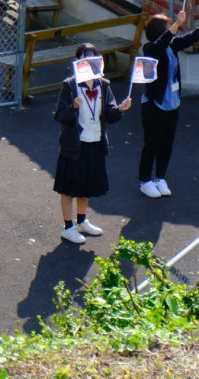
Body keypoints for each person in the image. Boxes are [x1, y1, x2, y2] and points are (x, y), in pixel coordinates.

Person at [139, 9, 199, 198]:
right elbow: (159, 45)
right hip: (155, 104)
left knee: (167, 143)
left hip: (172, 103)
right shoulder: (151, 48)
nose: (174, 29)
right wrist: (177, 24)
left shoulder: (172, 45)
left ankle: (160, 178)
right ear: (161, 32)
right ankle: (145, 181)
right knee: (152, 144)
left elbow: (192, 36)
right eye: (169, 26)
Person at [53, 43, 132, 245]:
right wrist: (73, 107)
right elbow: (60, 116)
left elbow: (110, 114)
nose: (88, 62)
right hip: (74, 144)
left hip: (95, 142)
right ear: (78, 62)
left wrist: (121, 109)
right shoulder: (70, 85)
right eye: (84, 59)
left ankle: (82, 221)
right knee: (68, 187)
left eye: (92, 58)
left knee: (86, 186)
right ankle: (68, 227)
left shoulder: (103, 85)